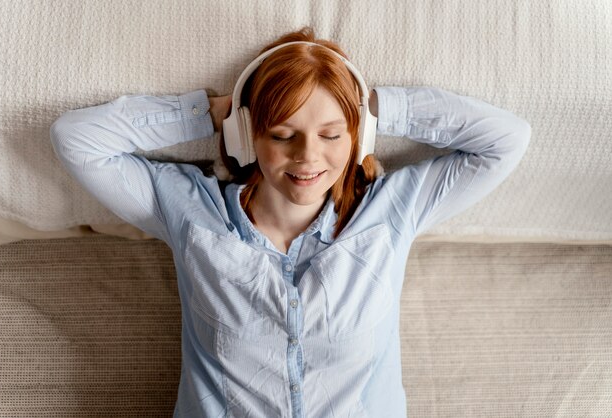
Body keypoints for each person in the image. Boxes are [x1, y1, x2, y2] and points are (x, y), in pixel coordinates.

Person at [50, 27, 530, 418]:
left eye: (331, 134)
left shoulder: (392, 213)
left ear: (357, 137)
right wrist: (213, 113)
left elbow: (507, 139)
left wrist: (380, 107)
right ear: (249, 135)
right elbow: (76, 139)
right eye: (282, 134)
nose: (308, 158)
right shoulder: (190, 212)